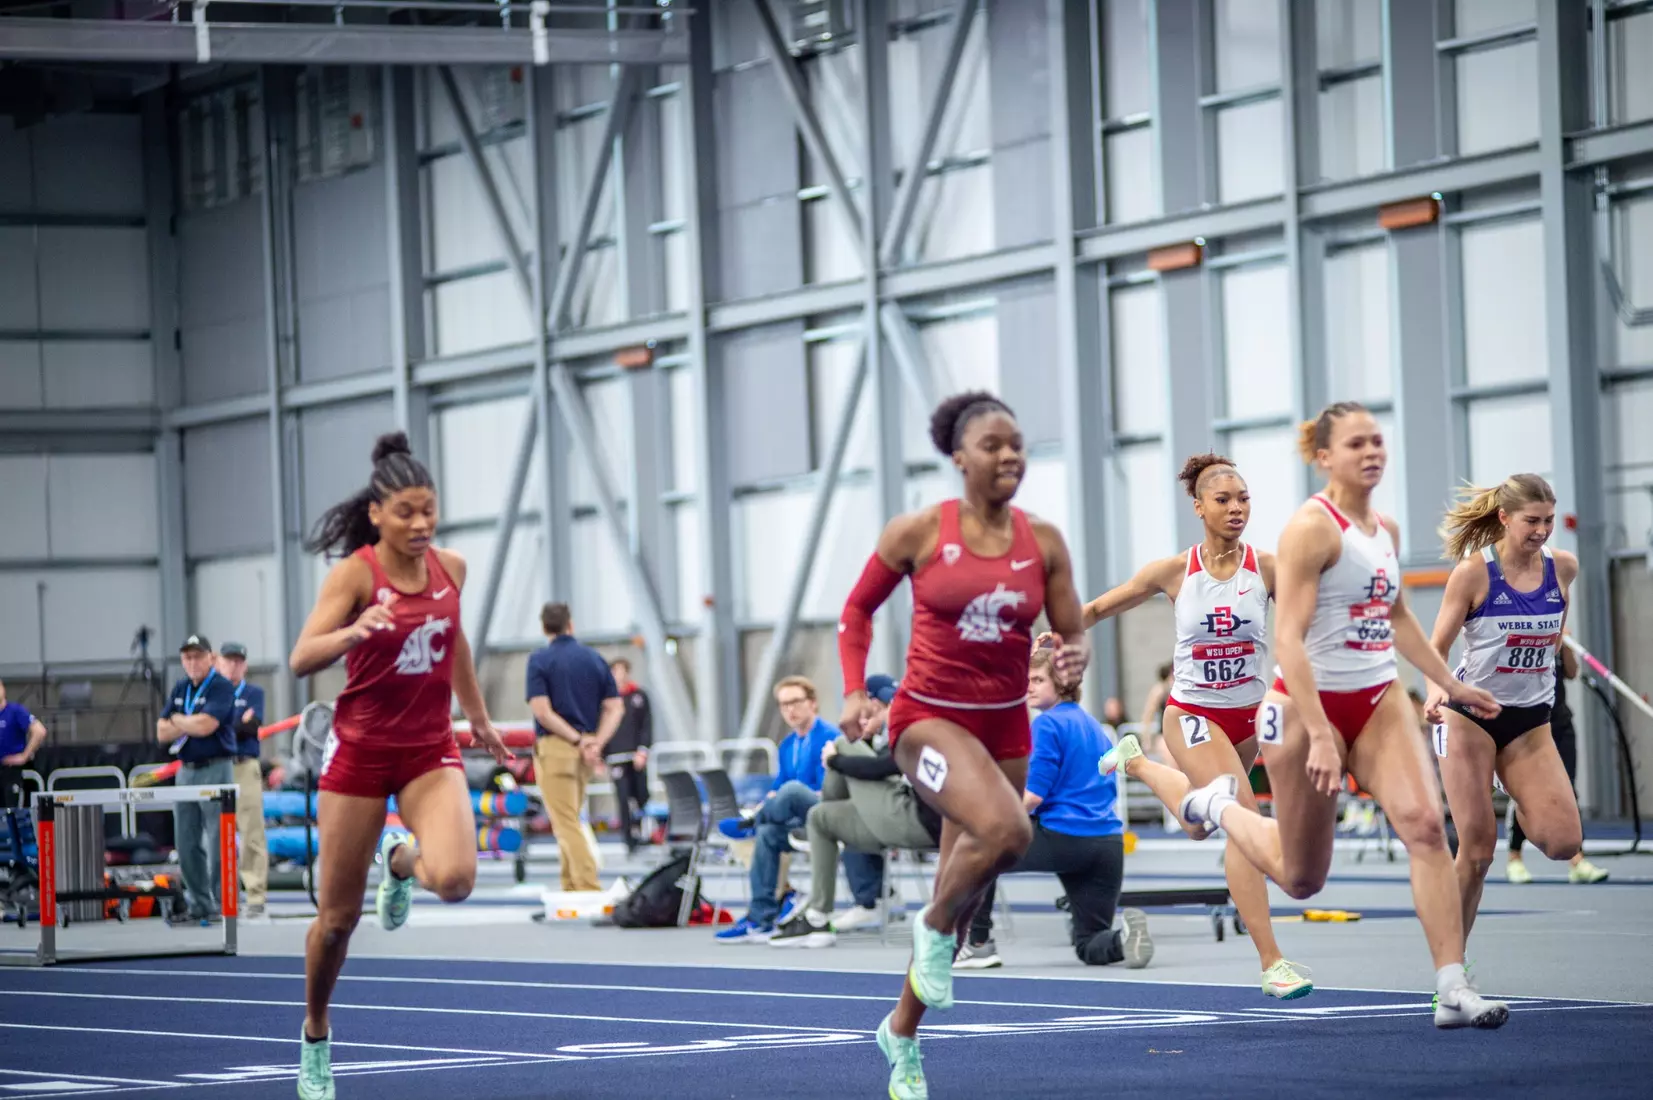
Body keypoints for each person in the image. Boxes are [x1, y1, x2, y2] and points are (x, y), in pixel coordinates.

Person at [1177, 401, 1510, 1031]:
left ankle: (1450, 985)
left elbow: (1397, 616)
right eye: (1356, 443)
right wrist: (1323, 734)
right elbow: (1289, 641)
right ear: (1323, 456)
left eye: (1378, 441)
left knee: (1425, 826)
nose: (1372, 452)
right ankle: (1220, 804)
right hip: (1304, 707)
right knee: (1303, 880)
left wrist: (1448, 684)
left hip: (1377, 697)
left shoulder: (1384, 527)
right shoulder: (1310, 529)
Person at [836, 390, 1089, 1099]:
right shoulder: (917, 531)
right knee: (1007, 832)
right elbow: (856, 610)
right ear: (958, 457)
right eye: (992, 445)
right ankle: (933, 924)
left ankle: (901, 1035)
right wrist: (856, 690)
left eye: (1017, 444)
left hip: (1005, 723)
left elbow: (1070, 633)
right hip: (925, 719)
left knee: (969, 888)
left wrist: (1072, 659)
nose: (1009, 455)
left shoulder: (1042, 541)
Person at [288, 432, 510, 1100]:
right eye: (407, 512)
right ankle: (317, 1034)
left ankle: (400, 860)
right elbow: (301, 657)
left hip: (426, 748)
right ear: (377, 513)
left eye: (429, 510)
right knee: (335, 924)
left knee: (456, 879)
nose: (421, 524)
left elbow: (455, 641)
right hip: (358, 751)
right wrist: (352, 633)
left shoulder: (452, 569)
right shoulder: (355, 574)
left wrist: (477, 717)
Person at [1087, 453, 1310, 998]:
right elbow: (1097, 608)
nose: (1237, 509)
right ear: (1199, 507)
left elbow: (1316, 613)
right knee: (1240, 816)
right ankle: (1272, 962)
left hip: (1247, 716)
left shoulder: (1269, 567)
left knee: (1198, 823)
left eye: (1244, 499)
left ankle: (1136, 761)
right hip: (1192, 712)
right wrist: (1049, 635)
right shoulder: (1174, 571)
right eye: (1224, 500)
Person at [1422, 474, 1590, 940]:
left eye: (1549, 521)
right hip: (1469, 717)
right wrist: (1437, 691)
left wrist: (1559, 656)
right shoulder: (1474, 572)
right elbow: (1435, 647)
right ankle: (1450, 968)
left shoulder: (1564, 568)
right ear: (1504, 517)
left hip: (1529, 720)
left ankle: (1513, 782)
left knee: (1563, 843)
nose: (1541, 531)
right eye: (1531, 521)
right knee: (1477, 852)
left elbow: (1555, 635)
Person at [962, 645, 1152, 972]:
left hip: (1064, 836)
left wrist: (990, 818)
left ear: (1062, 683)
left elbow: (1033, 796)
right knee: (1089, 942)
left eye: (1037, 680)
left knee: (981, 848)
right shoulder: (1095, 727)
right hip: (1107, 843)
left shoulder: (1046, 725)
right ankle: (1124, 939)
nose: (1029, 687)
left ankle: (978, 944)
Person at [770, 674, 941, 948]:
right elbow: (883, 763)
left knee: (841, 744)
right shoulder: (788, 744)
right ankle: (817, 918)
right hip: (897, 816)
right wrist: (868, 738)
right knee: (821, 818)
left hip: (916, 819)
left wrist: (836, 760)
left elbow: (883, 768)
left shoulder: (920, 726)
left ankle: (763, 819)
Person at [714, 675, 838, 942]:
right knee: (769, 832)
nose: (789, 710)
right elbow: (776, 788)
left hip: (825, 814)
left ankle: (750, 823)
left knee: (793, 791)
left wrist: (781, 797)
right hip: (794, 820)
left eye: (795, 702)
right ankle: (762, 917)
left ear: (812, 703)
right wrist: (769, 801)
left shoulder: (830, 738)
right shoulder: (786, 746)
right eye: (783, 705)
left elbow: (829, 792)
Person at [526, 603, 623, 891]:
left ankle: (588, 885)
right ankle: (570, 885)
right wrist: (595, 742)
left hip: (558, 747)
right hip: (585, 751)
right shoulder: (594, 658)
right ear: (571, 624)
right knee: (568, 817)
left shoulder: (540, 660)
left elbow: (542, 712)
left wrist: (577, 739)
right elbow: (615, 707)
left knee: (566, 822)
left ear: (544, 628)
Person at [1506, 647, 1608, 883]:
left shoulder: (1557, 634)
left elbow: (1572, 672)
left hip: (1560, 725)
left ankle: (1577, 861)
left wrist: (1566, 645)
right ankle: (1514, 859)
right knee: (1523, 794)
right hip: (1527, 727)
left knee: (1568, 792)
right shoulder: (1523, 633)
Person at [156, 634, 237, 926]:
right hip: (186, 769)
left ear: (210, 658)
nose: (192, 662)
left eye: (198, 656)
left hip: (216, 767)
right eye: (187, 657)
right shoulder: (180, 687)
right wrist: (183, 723)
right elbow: (160, 732)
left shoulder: (221, 686)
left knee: (218, 840)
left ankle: (224, 903)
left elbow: (207, 726)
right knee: (186, 840)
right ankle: (200, 904)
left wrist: (178, 720)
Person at [218, 642, 269, 920]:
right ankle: (220, 894)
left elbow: (251, 726)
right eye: (230, 661)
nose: (234, 666)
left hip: (244, 765)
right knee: (216, 834)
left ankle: (255, 895)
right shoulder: (213, 692)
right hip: (219, 766)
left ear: (245, 665)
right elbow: (233, 726)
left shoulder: (254, 692)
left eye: (239, 661)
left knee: (251, 832)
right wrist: (234, 725)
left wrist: (222, 725)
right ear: (220, 664)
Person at [606, 658, 654, 853]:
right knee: (623, 797)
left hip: (635, 756)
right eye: (615, 671)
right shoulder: (606, 700)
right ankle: (629, 839)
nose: (619, 675)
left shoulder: (639, 696)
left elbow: (647, 725)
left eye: (622, 670)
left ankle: (642, 831)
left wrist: (643, 749)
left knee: (642, 794)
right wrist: (600, 756)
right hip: (616, 757)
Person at [0, 679, 47, 809]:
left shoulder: (15, 711)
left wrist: (24, 756)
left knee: (12, 812)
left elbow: (39, 731)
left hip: (11, 771)